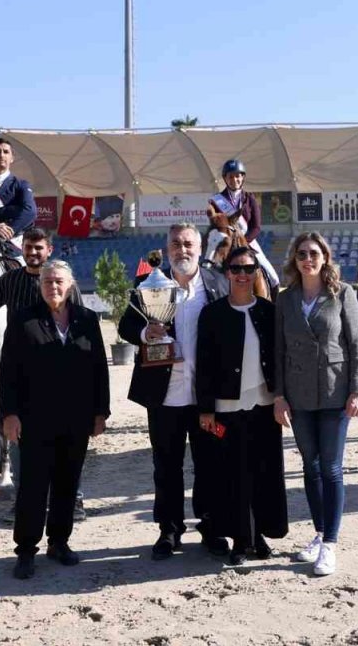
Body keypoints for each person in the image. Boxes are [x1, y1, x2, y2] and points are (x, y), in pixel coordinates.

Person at [0, 228, 88, 518]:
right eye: (28, 247)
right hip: (23, 373)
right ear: (21, 249)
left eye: (38, 248)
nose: (33, 252)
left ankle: (73, 500)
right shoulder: (10, 280)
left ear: (49, 250)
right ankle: (25, 501)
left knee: (66, 443)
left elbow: (83, 325)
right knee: (24, 442)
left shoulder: (65, 282)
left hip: (61, 373)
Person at [118, 222, 232, 560]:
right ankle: (169, 530)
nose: (181, 250)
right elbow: (126, 325)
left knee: (210, 463)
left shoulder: (218, 283)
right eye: (175, 244)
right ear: (166, 249)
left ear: (199, 248)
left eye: (187, 244)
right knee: (165, 465)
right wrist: (145, 333)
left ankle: (211, 526)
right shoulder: (148, 284)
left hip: (205, 397)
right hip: (163, 394)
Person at [0, 261, 109, 579]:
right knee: (33, 487)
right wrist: (9, 414)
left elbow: (99, 367)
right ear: (40, 286)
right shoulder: (22, 320)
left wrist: (101, 411)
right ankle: (26, 550)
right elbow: (8, 372)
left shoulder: (87, 320)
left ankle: (59, 542)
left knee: (66, 484)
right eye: (47, 281)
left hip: (77, 419)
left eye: (59, 281)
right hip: (34, 420)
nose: (53, 286)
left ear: (71, 284)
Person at [273, 232, 358, 577]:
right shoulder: (285, 299)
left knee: (331, 468)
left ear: (325, 257)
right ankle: (318, 532)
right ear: (294, 260)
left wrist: (357, 391)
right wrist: (279, 396)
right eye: (301, 254)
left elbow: (355, 345)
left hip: (334, 392)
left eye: (314, 253)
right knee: (309, 469)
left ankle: (330, 543)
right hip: (297, 396)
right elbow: (279, 351)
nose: (307, 259)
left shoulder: (344, 294)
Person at [195, 246, 288, 566]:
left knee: (263, 472)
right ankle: (238, 538)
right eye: (236, 269)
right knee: (232, 474)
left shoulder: (268, 310)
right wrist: (206, 408)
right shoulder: (213, 313)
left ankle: (259, 534)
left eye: (249, 269)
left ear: (256, 273)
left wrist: (281, 396)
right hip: (226, 406)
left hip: (264, 404)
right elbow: (204, 364)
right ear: (227, 272)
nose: (242, 275)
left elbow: (279, 359)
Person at [206, 159, 280, 287]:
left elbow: (256, 227)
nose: (234, 180)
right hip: (224, 246)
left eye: (237, 176)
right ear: (225, 178)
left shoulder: (250, 198)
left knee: (274, 278)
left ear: (243, 177)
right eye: (231, 176)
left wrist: (243, 242)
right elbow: (215, 227)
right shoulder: (216, 201)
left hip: (248, 243)